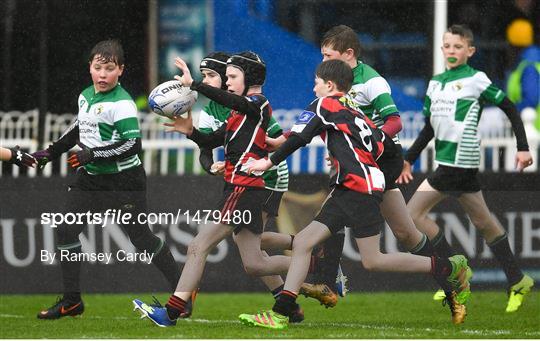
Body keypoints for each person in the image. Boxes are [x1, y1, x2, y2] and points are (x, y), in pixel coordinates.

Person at [238, 60, 472, 329]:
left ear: (329, 85)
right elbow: (382, 147)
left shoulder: (324, 104)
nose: (313, 87)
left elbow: (299, 139)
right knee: (306, 243)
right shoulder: (355, 112)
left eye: (316, 82)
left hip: (354, 188)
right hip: (363, 186)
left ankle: (448, 268)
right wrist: (350, 158)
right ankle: (281, 312)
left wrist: (267, 161)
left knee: (370, 260)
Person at [132, 51, 301, 327]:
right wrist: (191, 132)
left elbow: (233, 100)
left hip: (244, 188)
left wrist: (193, 85)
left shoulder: (257, 103)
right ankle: (316, 265)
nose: (227, 82)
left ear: (250, 79)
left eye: (233, 77)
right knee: (254, 264)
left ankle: (171, 313)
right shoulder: (239, 110)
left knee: (199, 246)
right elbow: (212, 139)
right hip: (244, 188)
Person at [33, 40, 181, 319]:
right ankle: (72, 301)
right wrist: (48, 153)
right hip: (91, 181)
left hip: (125, 181)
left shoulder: (122, 103)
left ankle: (182, 292)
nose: (102, 74)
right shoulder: (86, 95)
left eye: (109, 69)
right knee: (65, 230)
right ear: (89, 67)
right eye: (97, 67)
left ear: (121, 71)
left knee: (141, 239)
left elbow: (132, 145)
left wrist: (93, 154)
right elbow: (78, 129)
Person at [297, 24, 441, 307]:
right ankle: (448, 272)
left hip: (382, 160)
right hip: (363, 161)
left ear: (348, 53)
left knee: (335, 209)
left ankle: (328, 281)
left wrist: (367, 144)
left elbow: (395, 121)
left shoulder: (372, 81)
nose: (323, 62)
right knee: (405, 232)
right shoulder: (336, 81)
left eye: (329, 56)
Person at [397, 24, 535, 313]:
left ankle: (455, 271)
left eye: (457, 47)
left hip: (459, 162)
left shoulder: (476, 79)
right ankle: (517, 279)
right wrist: (409, 158)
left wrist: (523, 147)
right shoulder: (435, 83)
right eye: (447, 46)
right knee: (484, 223)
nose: (451, 51)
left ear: (470, 51)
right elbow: (428, 129)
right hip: (451, 164)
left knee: (412, 214)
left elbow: (510, 106)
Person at [185, 51, 303, 322]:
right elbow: (208, 145)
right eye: (206, 76)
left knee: (245, 245)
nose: (215, 81)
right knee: (249, 244)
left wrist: (194, 85)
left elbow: (275, 142)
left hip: (269, 176)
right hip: (242, 177)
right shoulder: (214, 107)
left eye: (214, 75)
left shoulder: (250, 102)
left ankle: (310, 259)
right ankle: (298, 279)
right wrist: (209, 162)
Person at [505, 19, 540, 130]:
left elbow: (531, 100)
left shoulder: (529, 66)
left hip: (533, 131)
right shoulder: (531, 62)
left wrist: (509, 110)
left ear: (515, 45)